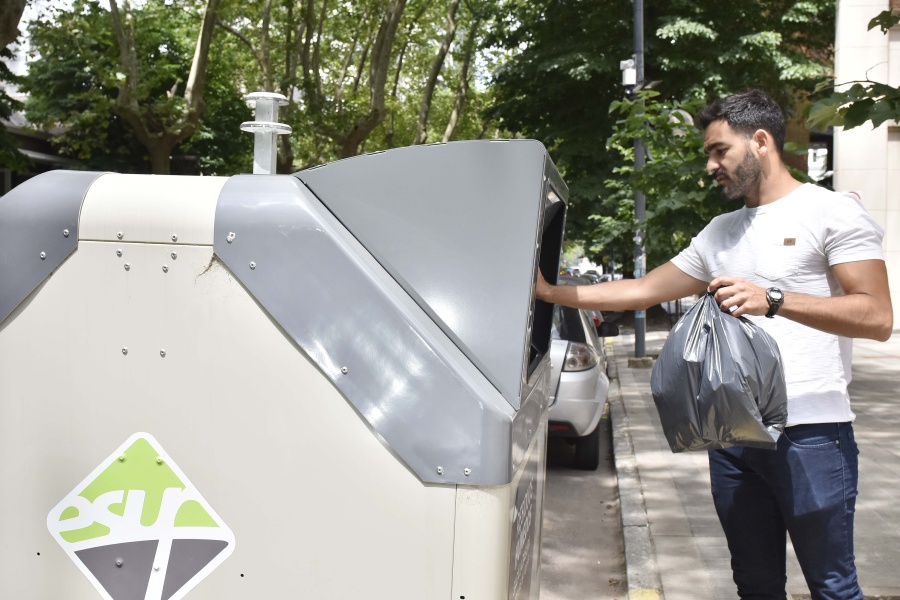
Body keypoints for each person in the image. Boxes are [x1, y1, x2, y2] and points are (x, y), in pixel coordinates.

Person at [536, 89, 893, 600]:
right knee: (754, 584)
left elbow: (877, 317)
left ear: (761, 142)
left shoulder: (831, 213)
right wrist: (550, 291)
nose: (710, 165)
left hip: (812, 434)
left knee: (833, 587)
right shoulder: (721, 232)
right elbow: (642, 290)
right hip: (734, 438)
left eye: (719, 150)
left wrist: (773, 299)